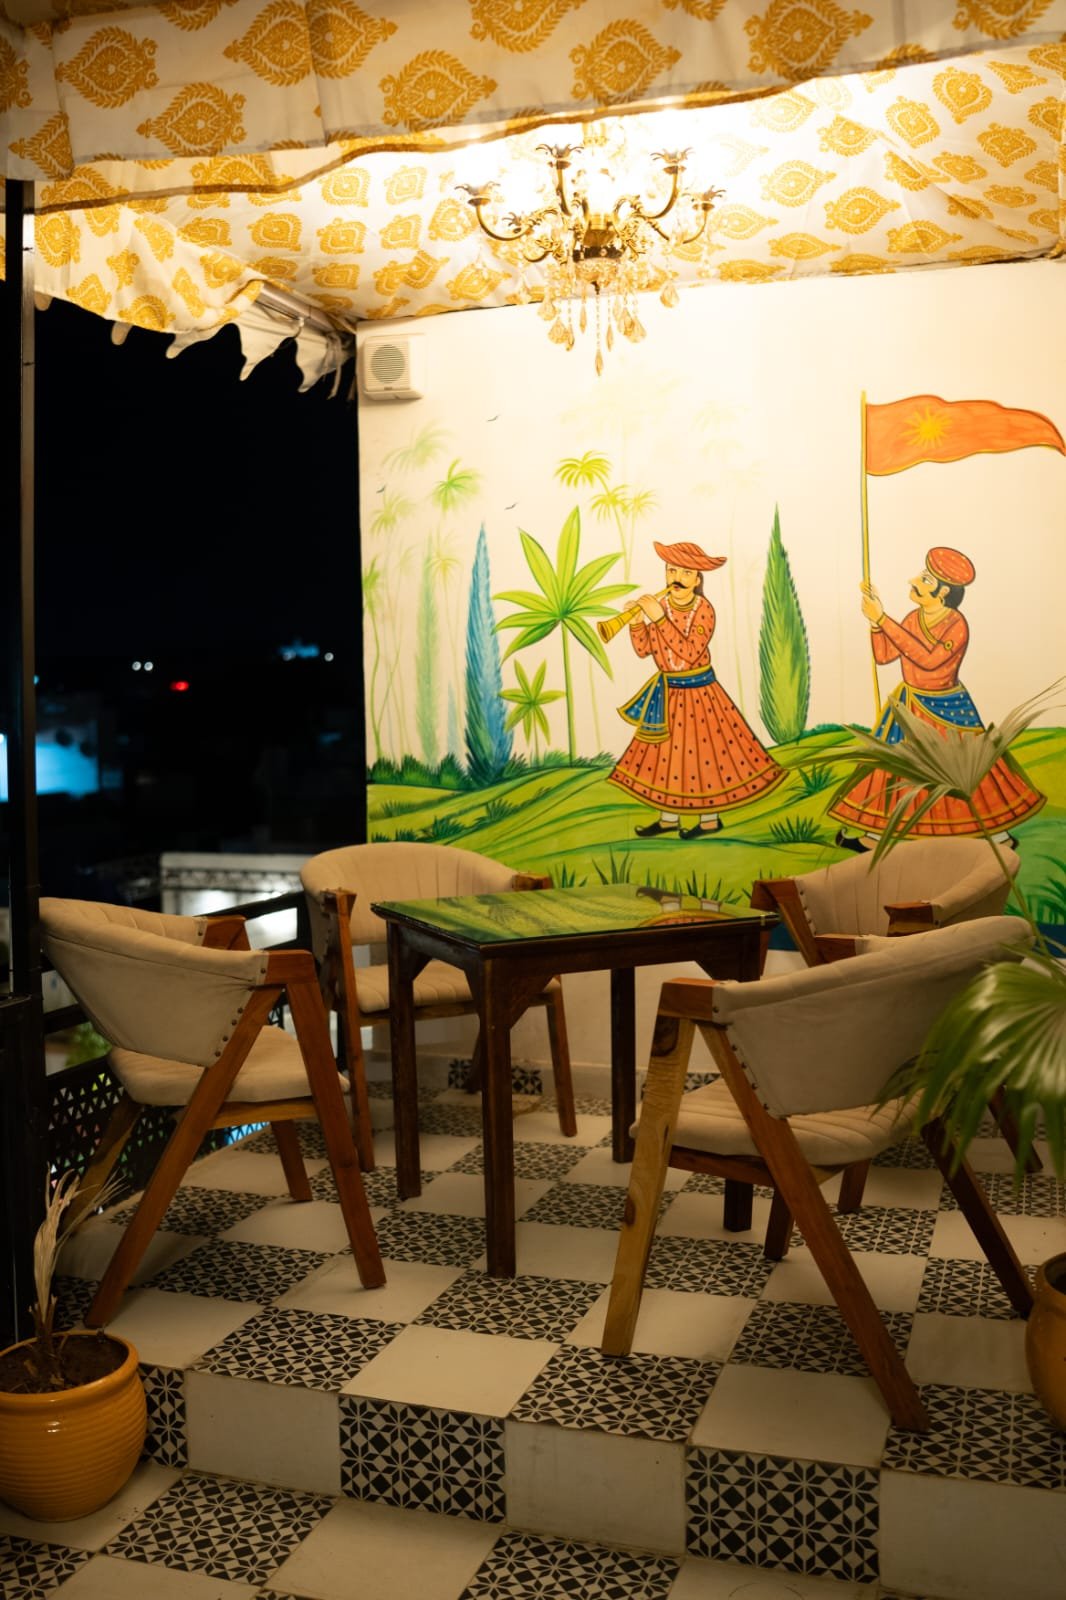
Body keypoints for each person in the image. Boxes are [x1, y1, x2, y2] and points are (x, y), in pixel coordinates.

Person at [832, 545, 1044, 850]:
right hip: (908, 704)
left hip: (946, 709)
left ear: (943, 591)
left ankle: (998, 839)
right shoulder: (912, 618)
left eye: (925, 579)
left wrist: (885, 620)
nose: (913, 581)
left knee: (965, 773)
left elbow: (928, 660)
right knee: (895, 771)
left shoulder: (956, 624)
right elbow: (884, 656)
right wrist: (877, 624)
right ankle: (876, 837)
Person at [607, 539, 786, 837]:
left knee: (705, 755)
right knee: (666, 757)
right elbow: (644, 650)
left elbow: (690, 651)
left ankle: (709, 821)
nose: (676, 578)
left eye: (685, 573)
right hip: (668, 693)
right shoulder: (661, 606)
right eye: (671, 570)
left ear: (697, 579)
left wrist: (658, 618)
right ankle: (668, 819)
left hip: (700, 693)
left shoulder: (704, 609)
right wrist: (636, 623)